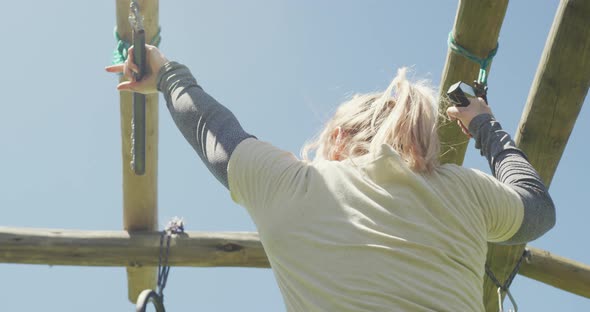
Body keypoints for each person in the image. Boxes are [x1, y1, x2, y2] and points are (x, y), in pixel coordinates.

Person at [106, 45, 555, 312]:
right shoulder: (464, 192)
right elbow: (536, 207)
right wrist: (483, 124)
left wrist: (165, 72)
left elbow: (212, 129)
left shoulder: (295, 186)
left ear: (337, 136)